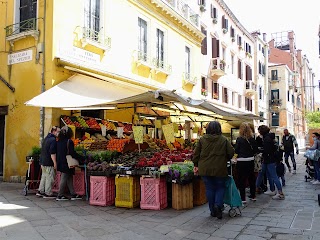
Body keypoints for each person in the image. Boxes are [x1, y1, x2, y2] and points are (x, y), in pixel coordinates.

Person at [193, 121, 234, 219]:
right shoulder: (224, 139)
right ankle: (218, 205)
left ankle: (212, 210)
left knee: (209, 188)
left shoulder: (202, 140)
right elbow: (231, 152)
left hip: (205, 169)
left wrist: (195, 164)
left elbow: (196, 154)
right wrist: (226, 157)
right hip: (220, 168)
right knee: (220, 187)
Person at [255, 125, 285, 200]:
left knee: (273, 176)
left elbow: (267, 150)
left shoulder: (266, 139)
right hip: (269, 159)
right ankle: (267, 189)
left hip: (269, 160)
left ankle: (280, 193)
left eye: (259, 130)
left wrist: (261, 151)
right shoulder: (270, 137)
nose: (258, 132)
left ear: (262, 131)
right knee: (263, 173)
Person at [56, 126, 84, 201]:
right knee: (64, 177)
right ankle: (60, 195)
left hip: (60, 161)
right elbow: (72, 153)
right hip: (67, 162)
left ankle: (73, 193)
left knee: (69, 177)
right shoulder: (69, 141)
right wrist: (81, 158)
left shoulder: (58, 141)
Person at [234, 122, 258, 203]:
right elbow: (255, 150)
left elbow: (236, 150)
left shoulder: (239, 139)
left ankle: (243, 198)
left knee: (241, 180)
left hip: (241, 161)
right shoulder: (252, 139)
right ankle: (253, 196)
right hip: (250, 160)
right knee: (251, 178)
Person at [37, 126, 60, 198]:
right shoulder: (53, 140)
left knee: (44, 176)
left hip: (43, 161)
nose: (59, 133)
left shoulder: (46, 138)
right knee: (50, 177)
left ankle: (41, 191)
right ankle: (48, 192)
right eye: (58, 131)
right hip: (48, 162)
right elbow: (52, 153)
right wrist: (55, 163)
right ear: (54, 131)